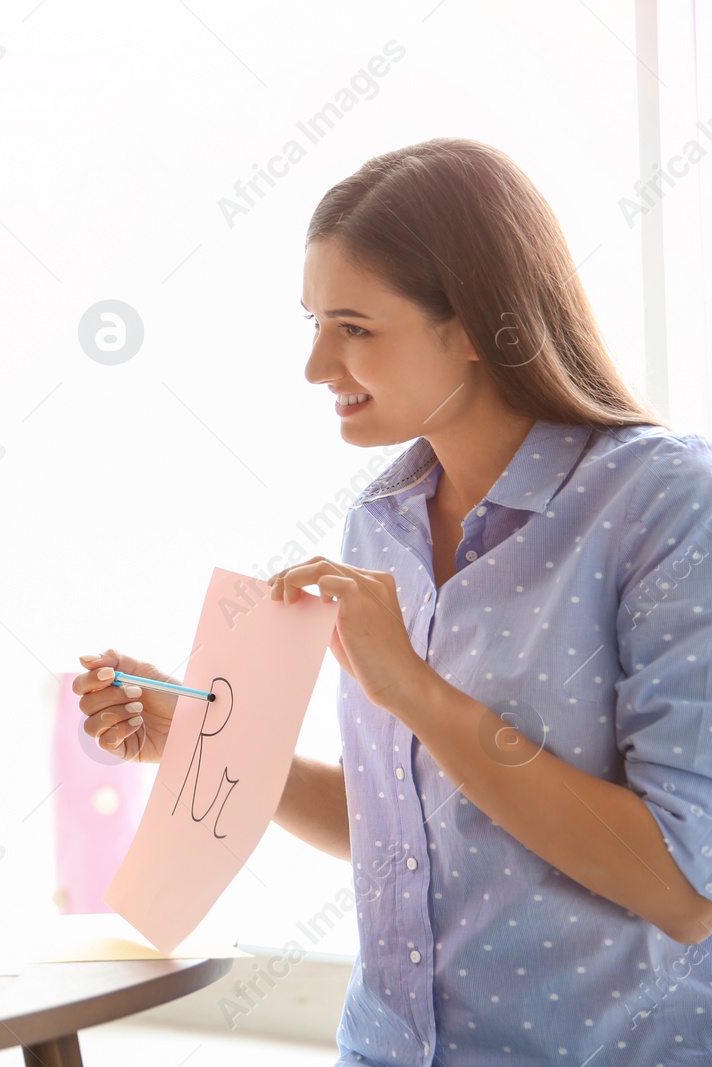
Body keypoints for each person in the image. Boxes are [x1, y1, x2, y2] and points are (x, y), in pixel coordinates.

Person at [78, 138, 712, 1063]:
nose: (315, 365)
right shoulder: (381, 522)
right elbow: (407, 833)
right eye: (314, 322)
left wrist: (413, 687)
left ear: (476, 327)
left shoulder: (663, 503)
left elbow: (681, 888)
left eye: (354, 327)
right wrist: (199, 741)